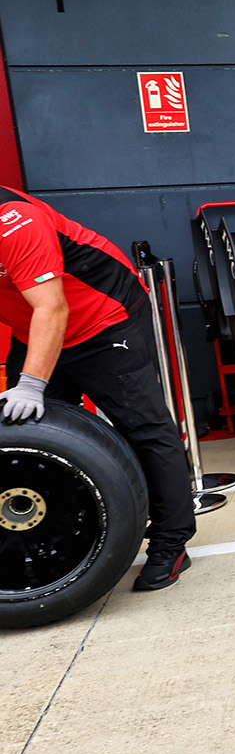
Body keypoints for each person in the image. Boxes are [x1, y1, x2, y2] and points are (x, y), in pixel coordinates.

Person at [0, 188, 197, 590]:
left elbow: (52, 307)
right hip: (33, 325)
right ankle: (76, 529)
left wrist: (32, 384)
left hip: (102, 318)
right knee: (31, 438)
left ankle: (171, 540)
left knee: (143, 427)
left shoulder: (14, 220)